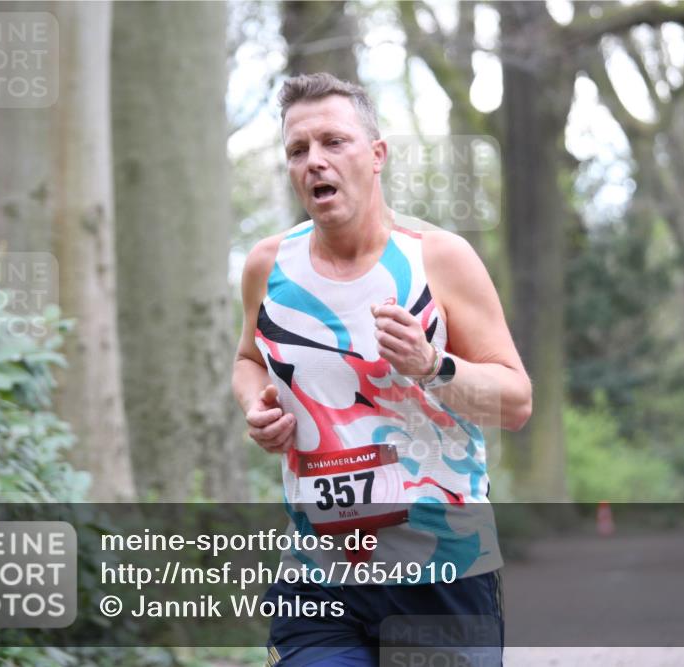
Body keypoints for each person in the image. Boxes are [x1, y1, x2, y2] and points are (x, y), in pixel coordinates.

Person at [232, 72, 532, 667]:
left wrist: (432, 365)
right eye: (298, 150)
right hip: (317, 571)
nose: (314, 161)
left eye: (333, 142)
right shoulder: (269, 265)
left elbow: (516, 403)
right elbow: (248, 359)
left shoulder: (437, 259)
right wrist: (256, 404)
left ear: (376, 156)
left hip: (440, 565)